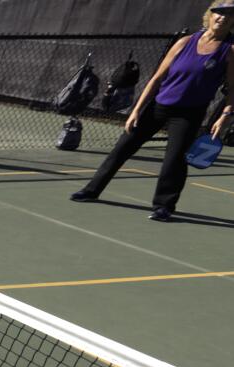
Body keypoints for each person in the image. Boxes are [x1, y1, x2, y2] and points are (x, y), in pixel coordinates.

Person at [71, 1, 234, 221]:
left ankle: (163, 206)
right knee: (122, 148)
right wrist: (136, 110)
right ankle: (91, 190)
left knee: (174, 160)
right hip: (158, 106)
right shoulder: (185, 42)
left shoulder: (230, 50)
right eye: (219, 12)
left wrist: (225, 115)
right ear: (210, 15)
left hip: (188, 114)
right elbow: (157, 78)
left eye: (229, 14)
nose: (222, 17)